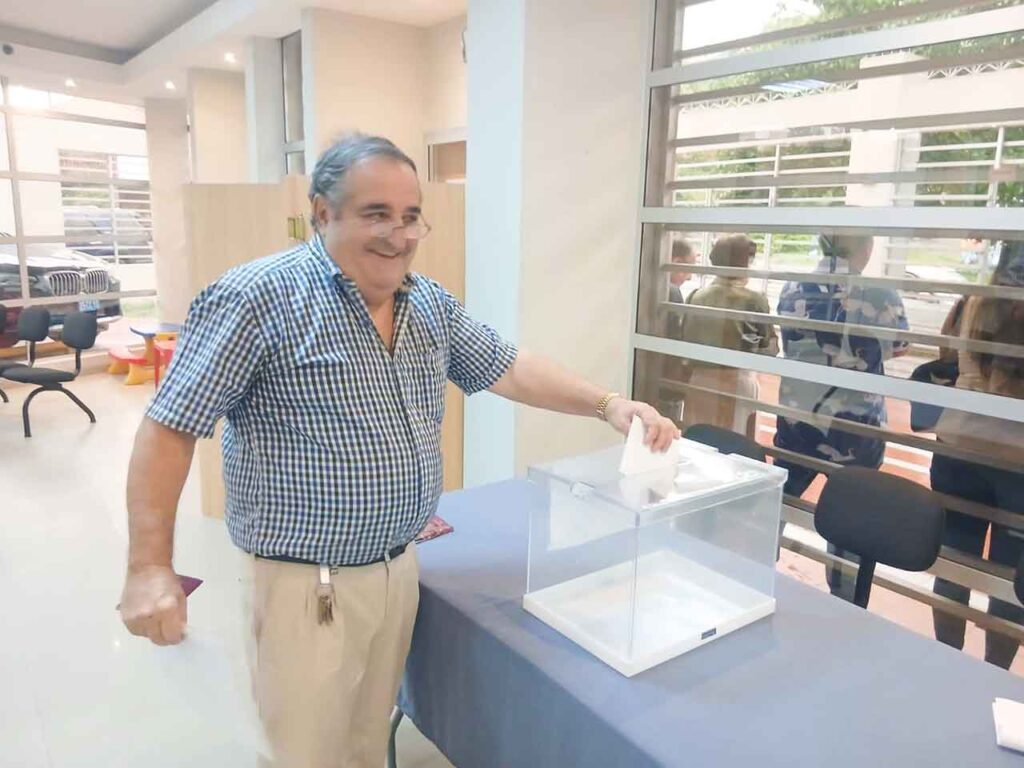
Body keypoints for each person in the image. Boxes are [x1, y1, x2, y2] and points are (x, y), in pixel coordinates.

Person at [117, 134, 678, 768]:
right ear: (323, 212)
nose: (399, 234)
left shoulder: (426, 302)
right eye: (375, 214)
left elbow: (509, 366)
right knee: (304, 754)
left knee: (365, 741)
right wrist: (149, 566)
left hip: (398, 570)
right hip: (307, 585)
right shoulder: (255, 299)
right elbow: (170, 428)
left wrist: (608, 404)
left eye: (410, 216)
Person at [773, 233, 909, 600]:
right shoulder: (880, 293)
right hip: (856, 426)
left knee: (780, 499)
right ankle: (844, 595)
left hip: (797, 419)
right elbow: (899, 345)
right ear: (864, 249)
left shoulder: (792, 287)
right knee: (851, 515)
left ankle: (756, 569)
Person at [931, 240, 1024, 669]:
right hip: (1017, 461)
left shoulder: (971, 302)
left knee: (954, 561)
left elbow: (946, 355)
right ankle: (993, 676)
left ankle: (948, 662)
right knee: (1009, 577)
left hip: (958, 444)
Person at [678, 234, 778, 438]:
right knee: (736, 445)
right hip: (737, 381)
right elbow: (770, 348)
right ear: (745, 262)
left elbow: (684, 338)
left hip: (699, 380)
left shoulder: (695, 296)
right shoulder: (754, 300)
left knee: (698, 441)